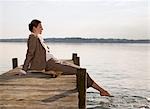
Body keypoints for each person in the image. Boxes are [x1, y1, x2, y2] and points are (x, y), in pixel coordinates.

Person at [22, 19, 110, 96]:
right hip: (50, 63)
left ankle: (101, 90)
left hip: (54, 61)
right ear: (34, 27)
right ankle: (102, 91)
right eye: (40, 26)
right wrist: (24, 69)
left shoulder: (38, 37)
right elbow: (30, 53)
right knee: (81, 72)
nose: (42, 28)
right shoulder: (33, 37)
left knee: (81, 69)